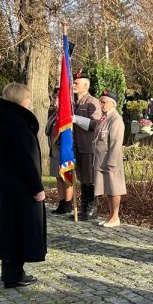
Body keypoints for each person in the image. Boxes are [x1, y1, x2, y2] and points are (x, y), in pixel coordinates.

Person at [0, 82, 47, 288]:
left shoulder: (6, 120)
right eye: (28, 98)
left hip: (9, 181)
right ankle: (14, 274)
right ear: (19, 99)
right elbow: (24, 158)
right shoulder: (15, 122)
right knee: (20, 225)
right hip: (20, 183)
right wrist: (36, 187)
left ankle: (12, 272)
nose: (30, 102)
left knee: (11, 225)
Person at [71, 74, 103, 220]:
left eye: (76, 83)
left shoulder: (92, 102)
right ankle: (83, 207)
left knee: (89, 178)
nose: (73, 85)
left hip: (88, 146)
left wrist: (75, 119)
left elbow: (94, 124)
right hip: (78, 146)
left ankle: (91, 208)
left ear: (86, 86)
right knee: (83, 178)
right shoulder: (75, 102)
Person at [92, 91, 126, 227]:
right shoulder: (104, 118)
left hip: (111, 161)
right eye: (100, 101)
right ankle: (111, 216)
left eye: (104, 102)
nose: (101, 104)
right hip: (102, 160)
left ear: (113, 103)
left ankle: (115, 217)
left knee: (114, 189)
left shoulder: (116, 119)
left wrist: (111, 162)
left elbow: (116, 143)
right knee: (108, 189)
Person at [44, 87, 73, 214]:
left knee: (66, 176)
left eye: (57, 97)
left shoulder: (66, 113)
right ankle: (61, 202)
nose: (54, 100)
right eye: (54, 97)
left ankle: (68, 202)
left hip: (64, 150)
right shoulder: (54, 114)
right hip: (54, 150)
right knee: (58, 176)